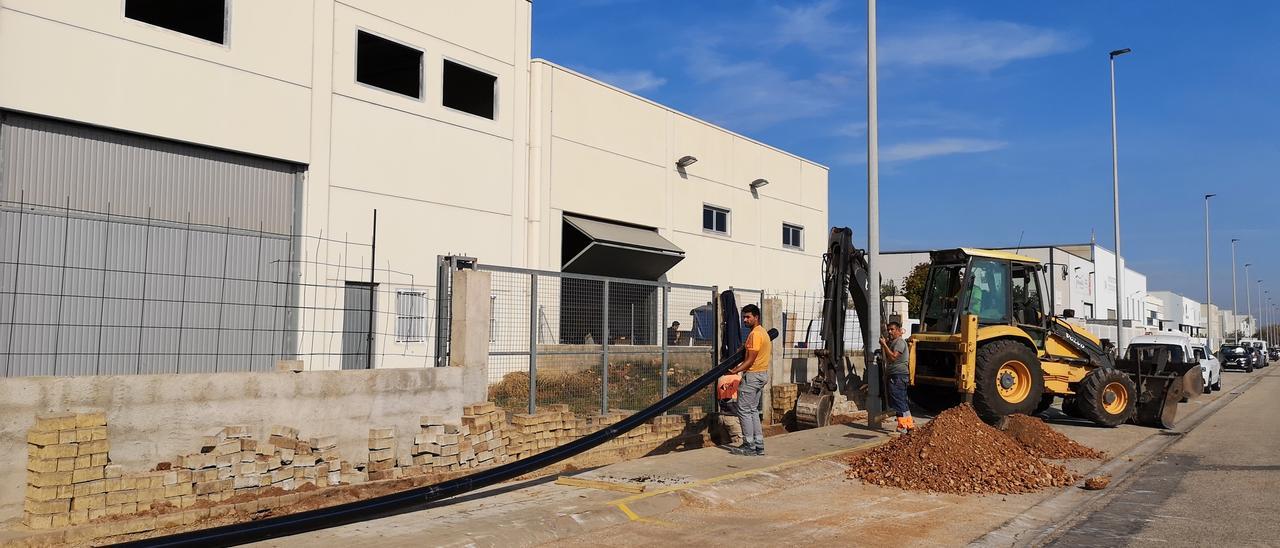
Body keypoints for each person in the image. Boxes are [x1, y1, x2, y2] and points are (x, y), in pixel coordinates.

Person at [728, 304, 771, 456]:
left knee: (744, 411)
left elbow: (751, 360)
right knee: (752, 410)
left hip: (752, 376)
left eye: (748, 317)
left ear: (756, 317)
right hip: (762, 375)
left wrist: (736, 370)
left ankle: (749, 446)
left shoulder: (755, 335)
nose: (745, 320)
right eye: (744, 317)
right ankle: (758, 445)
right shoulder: (762, 332)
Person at [879, 321, 914, 433]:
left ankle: (903, 426)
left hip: (898, 376)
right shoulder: (895, 342)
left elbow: (893, 357)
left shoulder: (899, 342)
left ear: (899, 331)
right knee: (902, 401)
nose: (890, 332)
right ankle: (909, 425)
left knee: (898, 401)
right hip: (898, 375)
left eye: (892, 329)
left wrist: (884, 345)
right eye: (889, 329)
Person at [716, 371, 744, 447]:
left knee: (725, 446)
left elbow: (719, 398)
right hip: (733, 417)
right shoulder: (738, 379)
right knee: (738, 445)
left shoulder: (720, 380)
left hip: (722, 417)